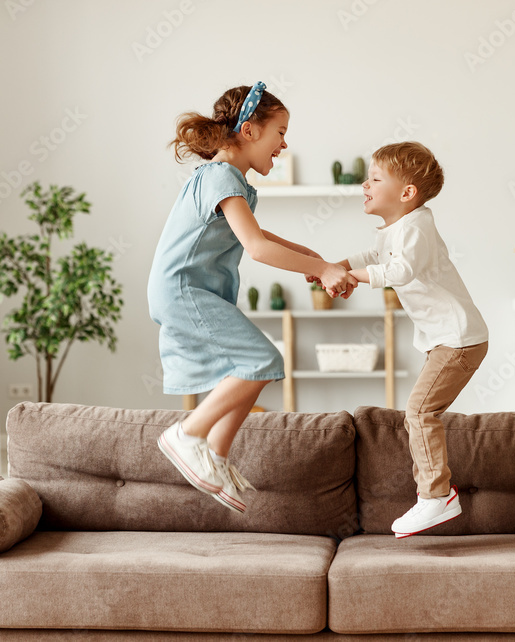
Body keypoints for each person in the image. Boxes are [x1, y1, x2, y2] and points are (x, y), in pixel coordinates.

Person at [149, 82, 356, 513]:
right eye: (280, 131)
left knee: (256, 365)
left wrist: (310, 256)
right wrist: (319, 269)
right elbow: (257, 248)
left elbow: (256, 236)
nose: (284, 143)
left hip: (190, 291)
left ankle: (215, 456)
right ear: (249, 130)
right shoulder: (222, 175)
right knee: (263, 360)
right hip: (185, 291)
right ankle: (186, 435)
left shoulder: (229, 180)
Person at [338, 141, 489, 538]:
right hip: (446, 340)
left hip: (458, 339)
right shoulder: (395, 228)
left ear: (407, 193)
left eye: (374, 178)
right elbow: (375, 258)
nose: (364, 185)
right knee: (422, 412)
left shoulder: (418, 225)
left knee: (420, 412)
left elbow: (400, 271)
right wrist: (339, 266)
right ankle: (434, 494)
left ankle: (436, 497)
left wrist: (350, 277)